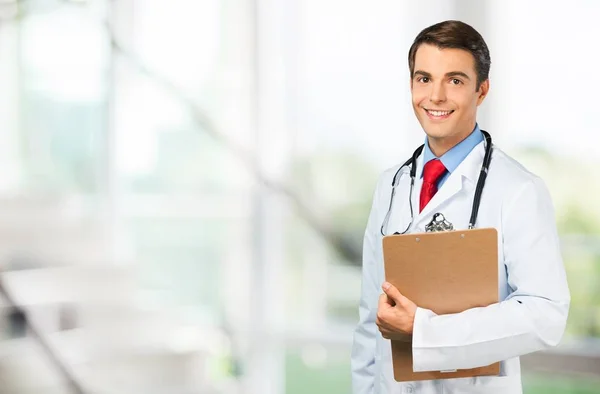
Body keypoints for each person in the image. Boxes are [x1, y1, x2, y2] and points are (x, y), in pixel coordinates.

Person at [350, 20, 570, 394]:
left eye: (454, 80)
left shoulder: (518, 189)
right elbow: (371, 322)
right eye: (423, 79)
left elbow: (545, 315)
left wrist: (425, 330)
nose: (435, 96)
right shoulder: (391, 184)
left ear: (481, 90)